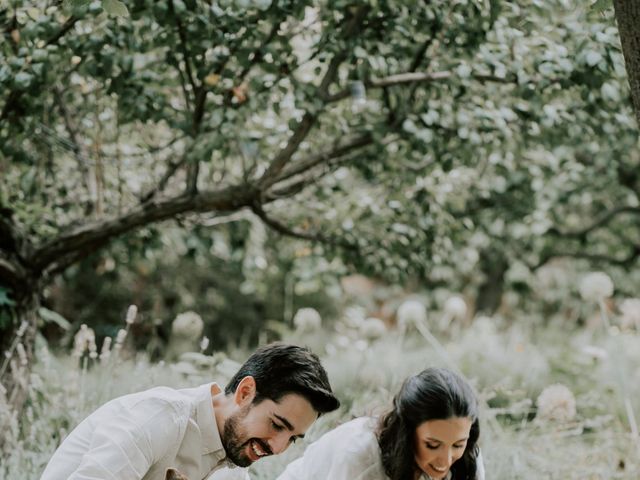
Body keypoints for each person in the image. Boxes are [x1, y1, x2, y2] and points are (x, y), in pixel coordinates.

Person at [41, 343, 339, 480]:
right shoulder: (156, 419)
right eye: (277, 425)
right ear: (245, 392)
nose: (278, 447)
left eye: (293, 439)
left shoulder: (233, 472)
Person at [277, 367, 484, 480]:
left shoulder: (466, 458)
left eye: (458, 444)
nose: (445, 460)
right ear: (408, 431)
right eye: (432, 445)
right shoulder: (359, 456)